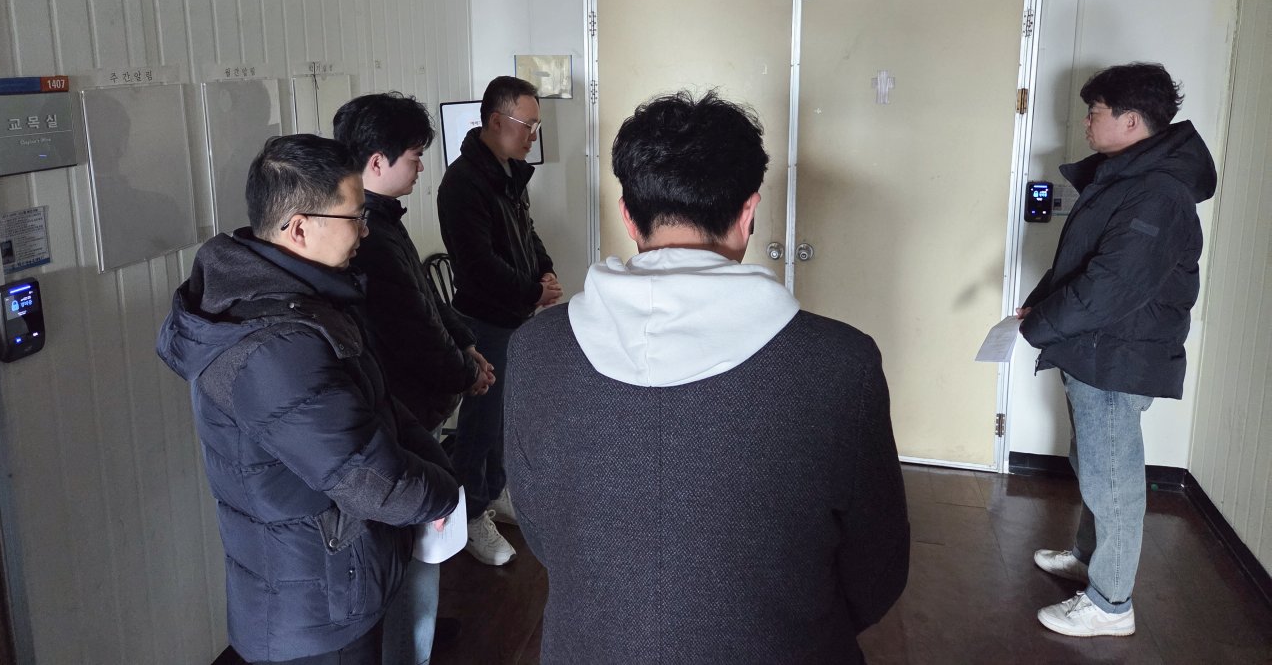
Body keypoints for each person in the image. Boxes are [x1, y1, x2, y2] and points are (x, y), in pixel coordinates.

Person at [504, 90, 910, 663]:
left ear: (628, 216)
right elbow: (877, 568)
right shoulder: (841, 362)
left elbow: (542, 529)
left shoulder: (535, 350)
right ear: (748, 214)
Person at [157, 134, 459, 664]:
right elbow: (369, 479)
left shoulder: (302, 299)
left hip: (333, 578)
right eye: (356, 217)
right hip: (313, 610)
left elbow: (377, 408)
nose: (365, 230)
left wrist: (435, 470)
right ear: (299, 227)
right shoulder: (274, 346)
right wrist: (442, 494)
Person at [1019, 63, 1216, 637]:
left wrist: (1040, 326)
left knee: (1113, 482)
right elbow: (1084, 264)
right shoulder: (1128, 177)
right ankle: (1089, 558)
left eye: (1095, 112)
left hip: (1117, 356)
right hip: (1097, 348)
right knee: (1094, 465)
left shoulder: (1157, 192)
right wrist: (1039, 307)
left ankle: (1110, 604)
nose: (1086, 123)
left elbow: (1110, 287)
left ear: (1130, 121)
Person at [333, 91, 495, 663]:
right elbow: (410, 329)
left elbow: (427, 300)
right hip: (398, 408)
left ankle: (415, 630)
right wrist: (465, 371)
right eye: (415, 155)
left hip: (414, 404)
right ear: (377, 161)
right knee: (405, 536)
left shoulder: (383, 219)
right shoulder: (368, 236)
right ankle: (409, 642)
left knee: (415, 540)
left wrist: (467, 345)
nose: (422, 166)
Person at [437, 76, 561, 565]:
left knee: (507, 416)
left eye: (536, 125)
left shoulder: (508, 172)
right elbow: (478, 266)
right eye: (527, 125)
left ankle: (491, 492)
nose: (533, 135)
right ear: (495, 121)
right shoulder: (462, 183)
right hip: (485, 320)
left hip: (516, 315)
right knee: (481, 424)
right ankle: (469, 515)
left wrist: (545, 270)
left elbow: (527, 233)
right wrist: (532, 291)